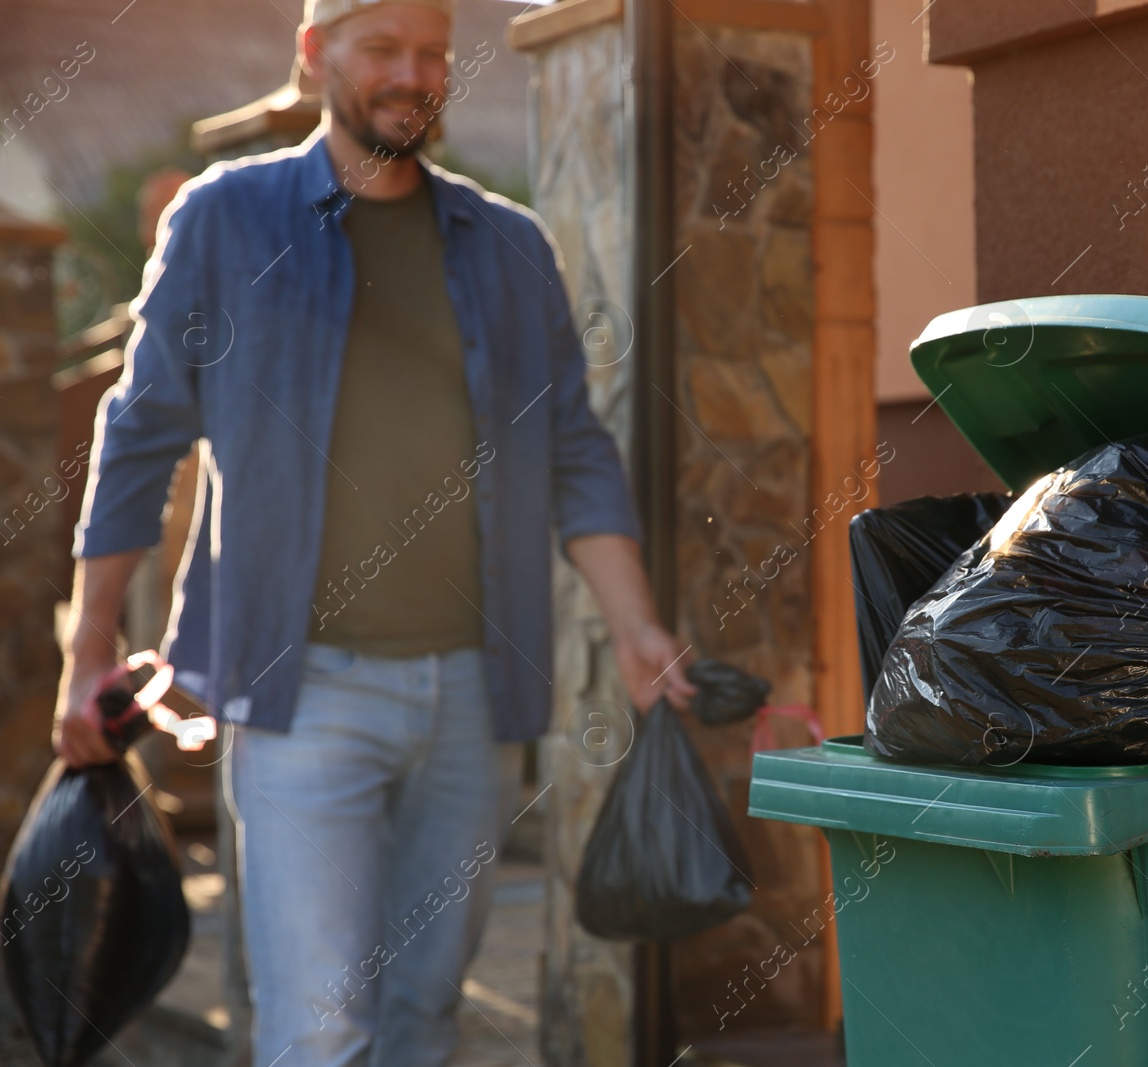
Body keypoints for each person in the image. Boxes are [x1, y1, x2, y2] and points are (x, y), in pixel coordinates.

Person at [52, 1, 693, 1064]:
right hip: (303, 699)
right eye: (383, 50)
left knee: (423, 1018)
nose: (413, 74)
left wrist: (632, 624)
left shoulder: (509, 245)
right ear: (314, 57)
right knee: (320, 1027)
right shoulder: (226, 219)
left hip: (473, 698)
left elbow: (574, 448)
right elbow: (139, 433)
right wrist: (86, 655)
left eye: (432, 53)